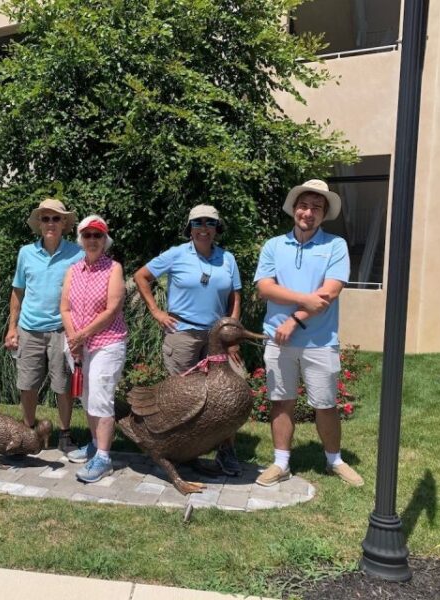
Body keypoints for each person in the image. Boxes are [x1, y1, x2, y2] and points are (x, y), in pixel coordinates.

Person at [253, 179, 363, 487]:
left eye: (317, 207)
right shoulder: (274, 245)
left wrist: (293, 320)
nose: (308, 212)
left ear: (324, 214)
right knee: (281, 401)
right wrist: (304, 300)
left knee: (325, 404)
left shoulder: (335, 246)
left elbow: (328, 293)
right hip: (278, 340)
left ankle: (334, 461)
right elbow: (264, 287)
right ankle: (281, 463)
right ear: (294, 209)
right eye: (304, 205)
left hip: (319, 341)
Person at [133, 204, 244, 475]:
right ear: (189, 228)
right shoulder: (176, 254)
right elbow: (141, 276)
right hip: (182, 333)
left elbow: (236, 298)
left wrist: (233, 333)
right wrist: (156, 311)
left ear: (217, 228)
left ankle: (225, 452)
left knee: (227, 395)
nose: (203, 228)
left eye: (209, 223)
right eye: (197, 223)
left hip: (218, 337)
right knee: (180, 398)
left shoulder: (227, 259)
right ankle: (179, 452)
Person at [4, 198, 84, 453]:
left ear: (64, 224)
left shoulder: (77, 254)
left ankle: (64, 434)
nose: (50, 223)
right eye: (45, 218)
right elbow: (17, 292)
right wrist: (12, 328)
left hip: (62, 329)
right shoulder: (26, 253)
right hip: (30, 328)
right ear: (39, 223)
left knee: (62, 385)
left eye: (56, 218)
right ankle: (29, 433)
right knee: (27, 384)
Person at [61, 216, 127, 482]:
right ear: (81, 239)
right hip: (77, 343)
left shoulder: (114, 269)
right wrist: (73, 339)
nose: (92, 240)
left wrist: (82, 335)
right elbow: (64, 308)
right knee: (87, 396)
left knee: (100, 396)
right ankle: (94, 443)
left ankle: (103, 457)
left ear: (105, 240)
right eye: (87, 235)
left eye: (97, 236)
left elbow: (112, 310)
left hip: (107, 342)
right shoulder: (73, 270)